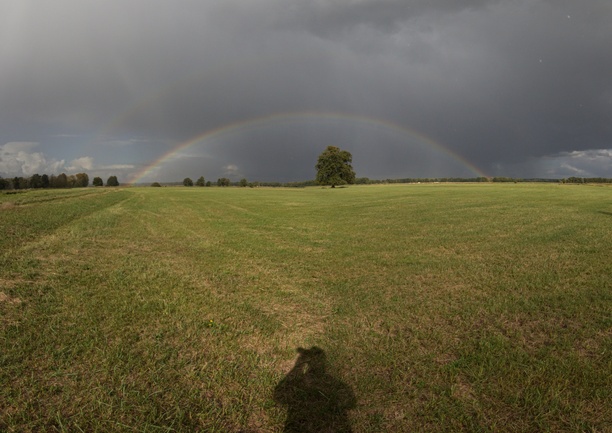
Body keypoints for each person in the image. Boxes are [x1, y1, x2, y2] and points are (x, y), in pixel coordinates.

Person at [274, 347, 356, 433]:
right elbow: (350, 402)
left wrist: (298, 366)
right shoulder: (334, 383)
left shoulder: (330, 383)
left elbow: (279, 396)